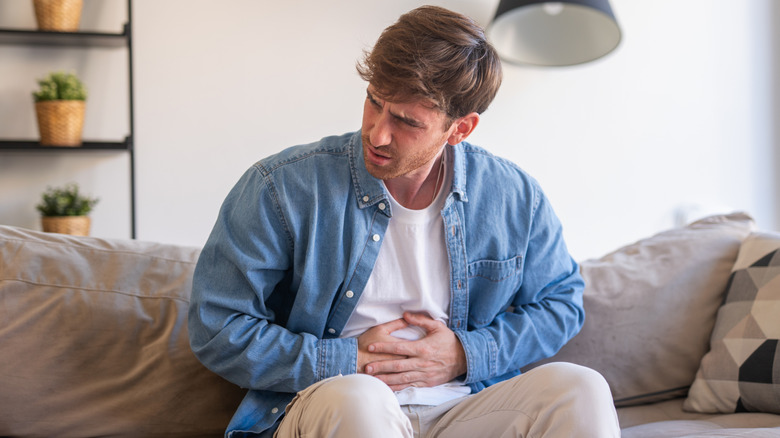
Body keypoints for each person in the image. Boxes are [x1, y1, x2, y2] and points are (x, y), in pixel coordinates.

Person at [189, 5, 620, 438]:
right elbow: (217, 326)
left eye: (406, 121)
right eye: (374, 102)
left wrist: (465, 354)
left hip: (460, 406)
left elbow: (561, 302)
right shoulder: (282, 187)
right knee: (360, 398)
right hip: (332, 401)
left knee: (581, 387)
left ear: (460, 129)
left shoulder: (513, 196)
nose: (377, 133)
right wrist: (345, 362)